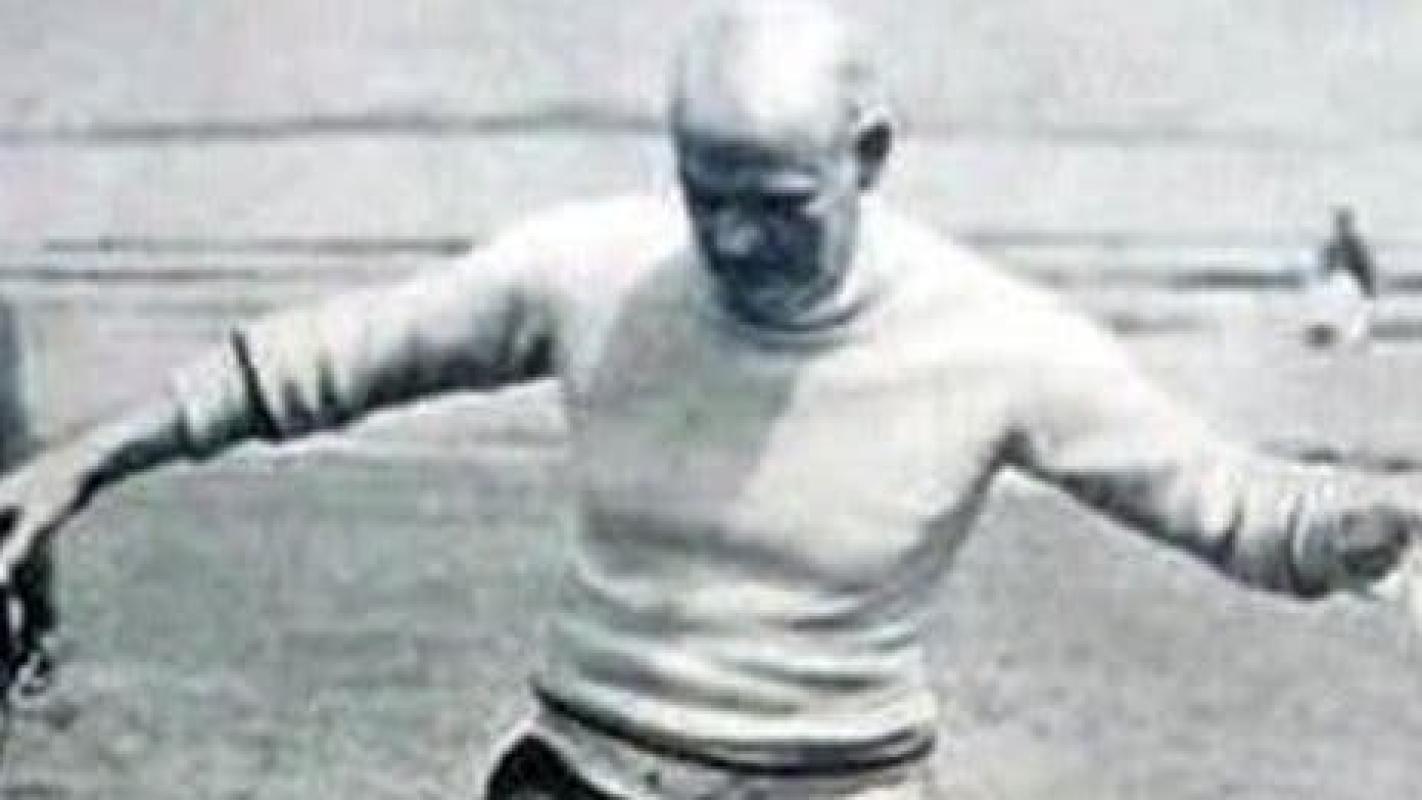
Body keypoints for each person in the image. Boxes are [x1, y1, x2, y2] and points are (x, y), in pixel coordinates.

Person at [0, 2, 1418, 797]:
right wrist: (82, 460)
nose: (733, 238)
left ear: (871, 155)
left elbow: (1231, 508)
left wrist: (1368, 527)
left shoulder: (997, 339)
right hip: (578, 772)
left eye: (776, 202)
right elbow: (329, 361)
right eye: (704, 193)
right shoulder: (595, 270)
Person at [1303, 206, 1379, 349]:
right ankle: (1326, 331)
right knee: (1333, 308)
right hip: (1341, 289)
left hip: (1351, 290)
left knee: (1345, 314)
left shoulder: (1356, 246)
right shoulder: (1332, 246)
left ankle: (1331, 332)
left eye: (1343, 224)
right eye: (1340, 224)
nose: (1342, 228)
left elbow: (1366, 272)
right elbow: (1322, 272)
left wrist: (1369, 293)